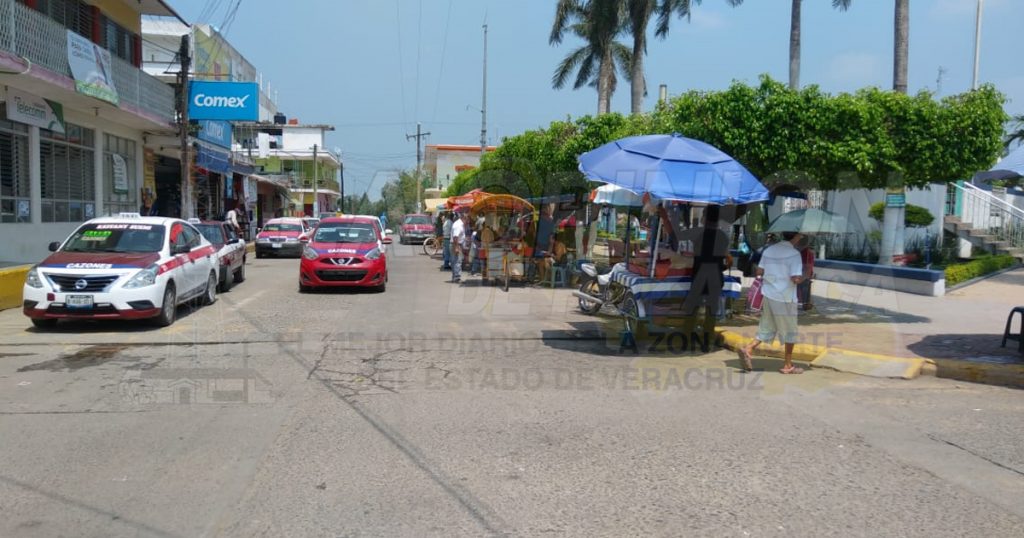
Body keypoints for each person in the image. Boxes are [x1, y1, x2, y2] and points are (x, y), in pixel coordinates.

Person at [738, 231, 806, 374]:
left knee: (767, 326)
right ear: (796, 236)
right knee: (790, 332)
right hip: (785, 298)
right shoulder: (794, 254)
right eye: (800, 235)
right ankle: (788, 365)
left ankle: (749, 348)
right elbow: (795, 279)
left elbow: (760, 270)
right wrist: (806, 275)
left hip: (769, 294)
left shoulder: (769, 250)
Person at [677, 207, 731, 352]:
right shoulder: (723, 236)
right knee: (711, 311)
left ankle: (685, 341)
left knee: (692, 309)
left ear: (704, 218)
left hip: (700, 275)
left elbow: (677, 236)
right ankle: (707, 343)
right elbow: (727, 258)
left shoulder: (698, 233)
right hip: (715, 276)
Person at [450, 212, 469, 283]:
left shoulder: (461, 224)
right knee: (457, 261)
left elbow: (459, 236)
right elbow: (455, 237)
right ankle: (457, 278)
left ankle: (455, 277)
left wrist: (465, 239)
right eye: (468, 220)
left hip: (457, 244)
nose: (468, 222)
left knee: (457, 261)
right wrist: (456, 247)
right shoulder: (458, 225)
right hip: (456, 244)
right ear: (464, 218)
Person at [797, 235, 815, 310]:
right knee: (804, 290)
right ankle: (805, 304)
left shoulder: (804, 252)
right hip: (805, 274)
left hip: (802, 274)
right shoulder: (808, 252)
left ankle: (804, 304)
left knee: (803, 290)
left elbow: (808, 265)